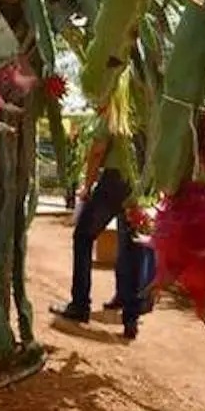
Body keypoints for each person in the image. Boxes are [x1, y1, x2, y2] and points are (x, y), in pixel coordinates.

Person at [50, 112, 153, 340]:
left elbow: (97, 150)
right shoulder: (149, 105)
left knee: (83, 237)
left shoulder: (117, 104)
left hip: (114, 182)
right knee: (133, 247)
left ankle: (80, 305)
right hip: (140, 184)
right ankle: (131, 319)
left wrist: (87, 186)